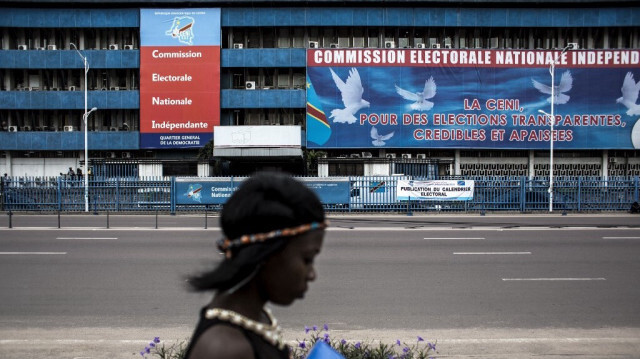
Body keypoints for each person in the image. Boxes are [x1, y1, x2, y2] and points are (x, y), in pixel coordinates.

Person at [184, 172, 327, 359]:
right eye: (307, 259)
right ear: (266, 254)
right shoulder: (224, 349)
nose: (312, 274)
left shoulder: (254, 316)